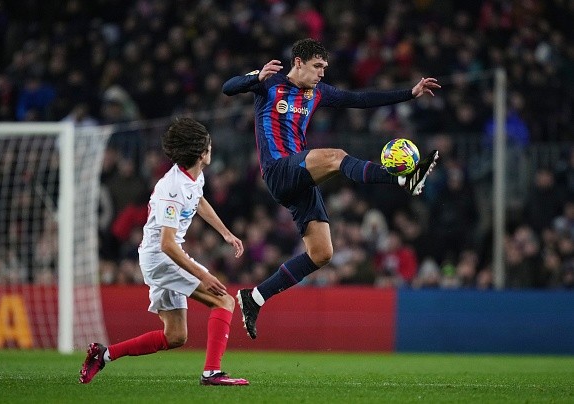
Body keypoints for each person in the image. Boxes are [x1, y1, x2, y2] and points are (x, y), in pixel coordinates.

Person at [222, 38, 441, 340]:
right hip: (279, 170)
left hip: (301, 178)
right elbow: (228, 87)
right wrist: (253, 78)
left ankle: (255, 298)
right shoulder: (269, 83)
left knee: (322, 253)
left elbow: (362, 99)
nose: (323, 73)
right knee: (337, 156)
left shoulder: (319, 92)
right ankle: (402, 179)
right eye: (318, 66)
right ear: (298, 62)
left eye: (324, 67)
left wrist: (410, 93)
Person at [79, 117, 249, 386]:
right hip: (162, 258)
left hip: (160, 256)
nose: (211, 148)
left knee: (175, 336)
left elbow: (199, 199)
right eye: (208, 145)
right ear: (202, 153)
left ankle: (103, 355)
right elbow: (167, 244)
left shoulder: (194, 176)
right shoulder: (170, 188)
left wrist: (225, 233)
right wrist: (203, 276)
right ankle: (212, 372)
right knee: (224, 301)